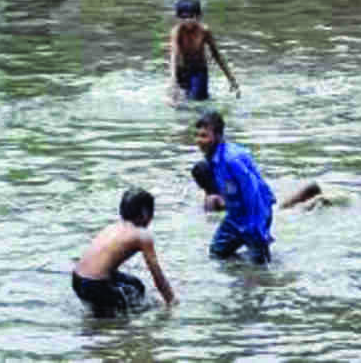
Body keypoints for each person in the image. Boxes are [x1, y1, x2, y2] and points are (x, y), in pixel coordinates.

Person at [71, 188, 176, 317]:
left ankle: (99, 318)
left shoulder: (113, 227)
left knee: (135, 286)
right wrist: (171, 301)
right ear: (145, 212)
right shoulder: (142, 235)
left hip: (77, 280)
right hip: (95, 285)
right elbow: (157, 275)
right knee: (135, 311)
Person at [194, 110, 276, 264]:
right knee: (217, 253)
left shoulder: (232, 159)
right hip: (236, 214)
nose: (199, 141)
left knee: (260, 266)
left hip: (256, 212)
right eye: (197, 135)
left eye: (204, 136)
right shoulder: (213, 158)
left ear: (218, 136)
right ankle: (240, 269)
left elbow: (252, 193)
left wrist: (255, 227)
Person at [166, 0, 240, 102]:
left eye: (191, 16)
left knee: (197, 100)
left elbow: (216, 55)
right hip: (181, 70)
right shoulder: (177, 31)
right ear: (178, 17)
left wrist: (231, 79)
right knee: (179, 102)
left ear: (198, 16)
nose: (187, 20)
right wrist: (172, 79)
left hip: (199, 70)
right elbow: (173, 55)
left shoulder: (204, 30)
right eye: (183, 17)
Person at [192, 159, 325, 213]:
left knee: (311, 192)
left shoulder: (210, 197)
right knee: (311, 190)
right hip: (268, 213)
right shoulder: (213, 199)